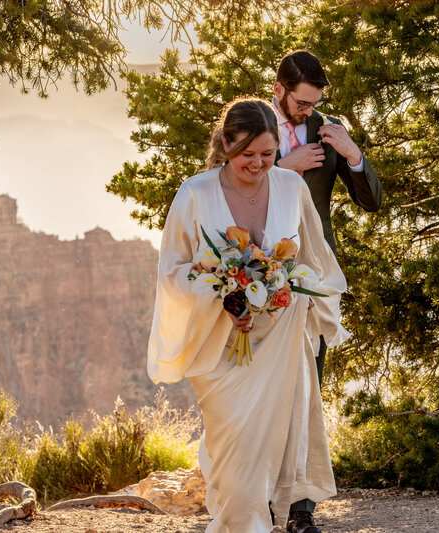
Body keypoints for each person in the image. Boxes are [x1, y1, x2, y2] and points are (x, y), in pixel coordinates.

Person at [147, 97, 349, 533]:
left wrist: (302, 294)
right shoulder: (195, 192)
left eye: (268, 154)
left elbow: (315, 261)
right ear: (224, 144)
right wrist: (223, 292)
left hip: (279, 342)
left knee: (273, 447)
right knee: (234, 461)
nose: (258, 165)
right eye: (246, 155)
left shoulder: (292, 187)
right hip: (219, 346)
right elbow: (172, 272)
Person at [271, 51, 382, 532]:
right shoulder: (251, 121)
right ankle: (252, 501)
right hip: (257, 269)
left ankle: (301, 513)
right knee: (261, 388)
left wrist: (355, 157)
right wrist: (283, 165)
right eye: (300, 104)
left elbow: (372, 202)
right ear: (279, 90)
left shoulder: (329, 127)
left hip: (314, 276)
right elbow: (226, 179)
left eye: (314, 104)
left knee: (309, 388)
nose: (307, 113)